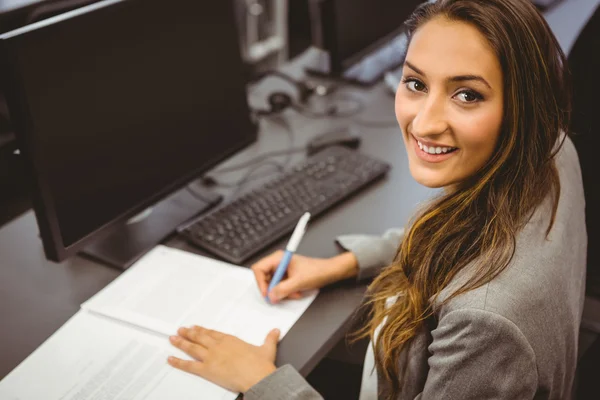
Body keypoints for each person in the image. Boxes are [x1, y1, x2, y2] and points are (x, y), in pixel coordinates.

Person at [166, 0, 587, 398]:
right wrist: (344, 264)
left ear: (522, 107)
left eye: (467, 95)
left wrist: (261, 382)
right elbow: (463, 230)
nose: (424, 122)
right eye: (416, 83)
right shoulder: (551, 148)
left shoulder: (486, 324)